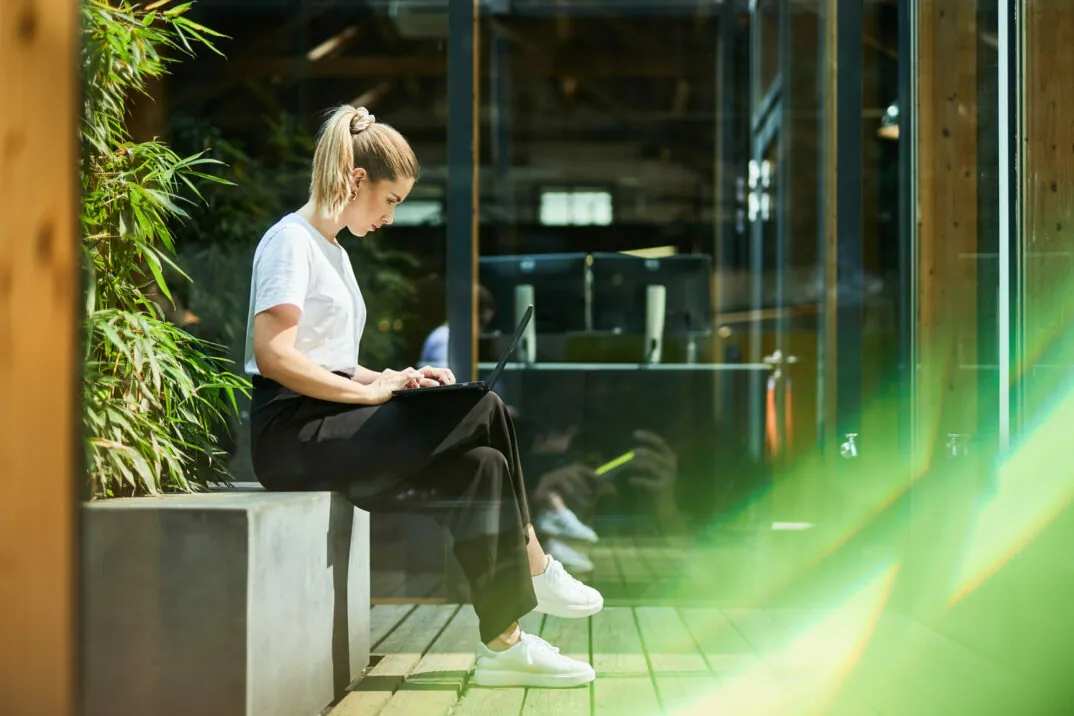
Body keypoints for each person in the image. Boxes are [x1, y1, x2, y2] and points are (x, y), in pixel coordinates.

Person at [244, 105, 601, 689]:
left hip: (332, 423)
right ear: (358, 181)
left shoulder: (333, 251)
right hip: (291, 436)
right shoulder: (291, 242)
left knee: (482, 467)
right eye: (391, 200)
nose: (391, 215)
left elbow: (325, 357)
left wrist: (389, 376)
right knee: (482, 405)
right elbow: (276, 356)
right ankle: (535, 561)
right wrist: (368, 397)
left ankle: (503, 646)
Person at [419, 284, 496, 368]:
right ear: (468, 314)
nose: (480, 332)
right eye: (482, 323)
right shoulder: (445, 340)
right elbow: (446, 378)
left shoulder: (453, 338)